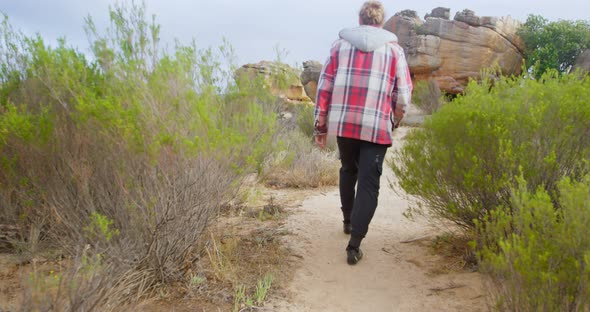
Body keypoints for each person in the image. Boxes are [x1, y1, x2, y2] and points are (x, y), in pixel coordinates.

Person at [313, 1, 412, 265]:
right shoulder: (394, 51)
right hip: (377, 125)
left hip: (345, 124)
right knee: (369, 182)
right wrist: (395, 120)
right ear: (381, 22)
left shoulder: (339, 46)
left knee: (348, 169)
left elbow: (324, 88)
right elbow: (403, 95)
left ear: (360, 19)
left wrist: (320, 126)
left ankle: (347, 220)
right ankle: (354, 244)